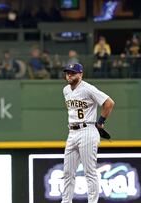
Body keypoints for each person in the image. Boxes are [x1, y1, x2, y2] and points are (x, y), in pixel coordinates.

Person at [61, 63, 115, 203]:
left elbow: (109, 103)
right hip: (72, 132)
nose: (69, 75)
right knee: (68, 172)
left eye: (73, 72)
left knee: (89, 172)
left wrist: (101, 121)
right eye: (68, 72)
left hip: (87, 130)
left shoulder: (88, 88)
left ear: (81, 74)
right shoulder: (66, 90)